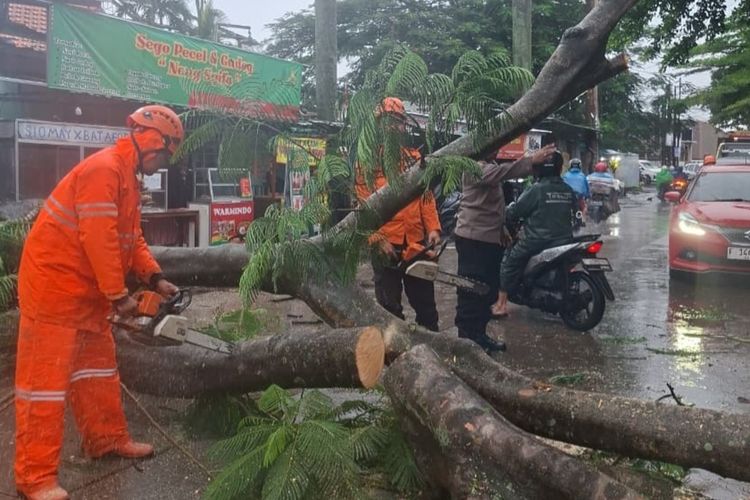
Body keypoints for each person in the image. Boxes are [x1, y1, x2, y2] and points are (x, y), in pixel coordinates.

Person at [14, 105, 184, 500]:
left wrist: (156, 278)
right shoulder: (104, 170)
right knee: (44, 387)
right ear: (151, 140)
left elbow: (129, 239)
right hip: (54, 288)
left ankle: (106, 439)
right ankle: (34, 478)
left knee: (98, 372)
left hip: (87, 293)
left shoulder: (127, 178)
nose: (162, 165)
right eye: (164, 155)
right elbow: (98, 237)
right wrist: (119, 296)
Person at [454, 143, 557, 353]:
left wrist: (502, 229)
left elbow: (494, 205)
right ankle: (466, 343)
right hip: (473, 239)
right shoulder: (473, 167)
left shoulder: (489, 165)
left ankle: (479, 335)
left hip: (490, 239)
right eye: (493, 145)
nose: (497, 150)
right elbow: (504, 172)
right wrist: (531, 161)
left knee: (487, 291)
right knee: (471, 290)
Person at [355, 97, 442, 331]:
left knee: (426, 308)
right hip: (386, 246)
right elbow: (362, 208)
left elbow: (426, 197)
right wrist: (377, 240)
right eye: (389, 121)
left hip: (415, 243)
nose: (395, 126)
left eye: (399, 121)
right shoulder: (367, 163)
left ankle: (431, 344)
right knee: (389, 310)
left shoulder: (413, 158)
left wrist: (433, 228)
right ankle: (395, 349)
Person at [495, 151, 576, 317]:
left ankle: (501, 305)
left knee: (509, 261)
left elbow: (517, 210)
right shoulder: (567, 189)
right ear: (559, 168)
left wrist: (507, 211)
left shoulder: (536, 189)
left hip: (537, 240)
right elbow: (575, 211)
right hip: (565, 239)